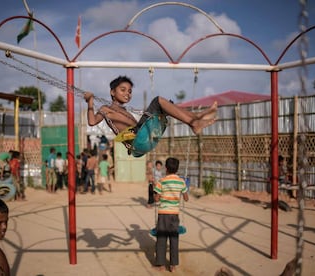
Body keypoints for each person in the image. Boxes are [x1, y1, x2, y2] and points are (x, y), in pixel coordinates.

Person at [83, 76, 217, 153]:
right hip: (136, 139)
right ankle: (194, 122)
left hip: (141, 135)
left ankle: (196, 117)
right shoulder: (106, 108)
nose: (127, 94)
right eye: (123, 90)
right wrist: (90, 102)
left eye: (129, 91)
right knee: (158, 101)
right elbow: (92, 121)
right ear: (112, 92)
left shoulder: (124, 110)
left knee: (166, 105)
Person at [153, 157, 189, 272]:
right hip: (174, 215)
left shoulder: (161, 181)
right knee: (174, 239)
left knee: (161, 239)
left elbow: (157, 199)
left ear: (166, 168)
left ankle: (161, 265)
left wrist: (154, 192)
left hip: (163, 214)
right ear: (177, 169)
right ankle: (173, 265)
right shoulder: (181, 181)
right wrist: (183, 192)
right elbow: (186, 198)